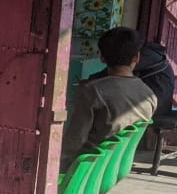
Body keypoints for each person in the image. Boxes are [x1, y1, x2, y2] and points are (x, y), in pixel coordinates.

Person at [61, 26, 157, 170]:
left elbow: (75, 140)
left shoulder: (92, 91)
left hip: (85, 167)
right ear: (137, 57)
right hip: (116, 166)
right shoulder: (149, 95)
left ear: (102, 58)